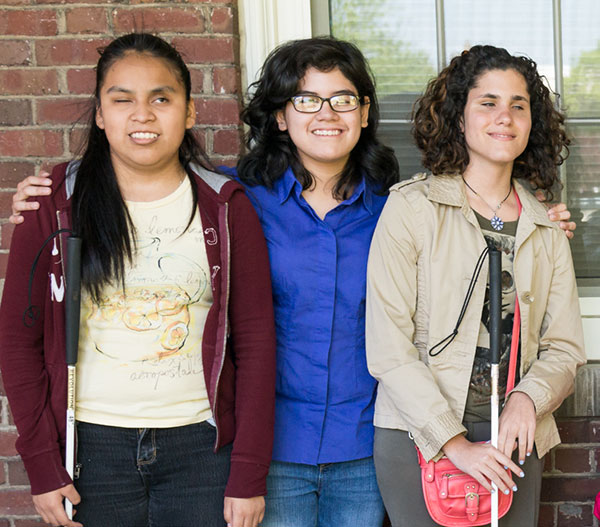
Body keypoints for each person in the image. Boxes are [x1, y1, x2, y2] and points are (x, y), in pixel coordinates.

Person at [8, 37, 577, 527]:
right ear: (281, 115)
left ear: (364, 111)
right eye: (306, 99)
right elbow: (151, 179)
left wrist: (537, 222)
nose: (326, 113)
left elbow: (470, 232)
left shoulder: (396, 209)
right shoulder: (232, 202)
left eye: (343, 99)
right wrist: (51, 191)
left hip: (363, 446)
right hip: (270, 449)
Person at [0, 33, 276, 527]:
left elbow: (255, 343)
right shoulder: (53, 205)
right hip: (93, 448)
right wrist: (42, 465)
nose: (143, 114)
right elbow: (18, 341)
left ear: (189, 112)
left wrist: (248, 474)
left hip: (201, 447)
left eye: (162, 99)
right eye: (122, 99)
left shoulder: (226, 207)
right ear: (101, 114)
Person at [366, 45, 586, 526]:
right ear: (458, 117)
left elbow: (565, 348)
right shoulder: (411, 210)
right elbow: (388, 349)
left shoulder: (545, 227)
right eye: (487, 102)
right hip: (418, 434)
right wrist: (453, 442)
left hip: (515, 438)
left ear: (533, 123)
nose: (504, 117)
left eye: (518, 105)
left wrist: (529, 400)